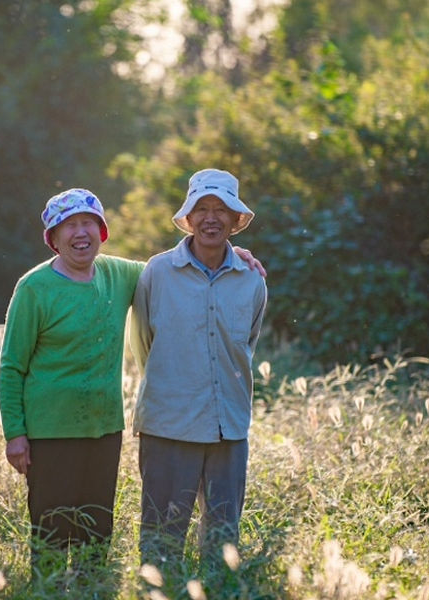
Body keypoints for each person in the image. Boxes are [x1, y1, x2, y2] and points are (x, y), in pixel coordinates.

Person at [0, 187, 265, 588]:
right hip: (48, 431)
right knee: (52, 527)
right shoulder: (34, 287)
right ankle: (48, 591)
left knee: (96, 528)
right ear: (53, 237)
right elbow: (11, 366)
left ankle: (90, 590)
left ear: (102, 232)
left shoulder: (118, 274)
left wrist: (231, 251)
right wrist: (15, 433)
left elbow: (182, 266)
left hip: (105, 430)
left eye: (89, 223)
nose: (80, 233)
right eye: (69, 225)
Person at [129, 168, 268, 570]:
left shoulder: (252, 280)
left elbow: (245, 345)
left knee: (223, 542)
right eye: (202, 208)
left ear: (235, 219)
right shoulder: (156, 272)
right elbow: (143, 344)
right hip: (169, 424)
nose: (211, 218)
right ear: (188, 217)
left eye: (221, 209)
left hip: (229, 426)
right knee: (161, 542)